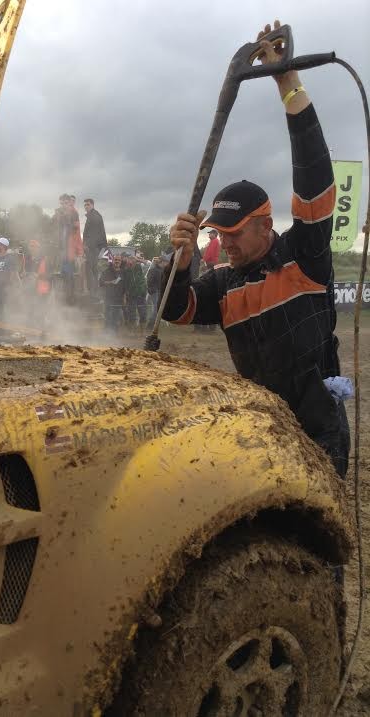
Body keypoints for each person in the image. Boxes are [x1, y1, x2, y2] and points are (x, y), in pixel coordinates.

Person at [162, 20, 350, 478]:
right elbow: (175, 309)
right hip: (265, 433)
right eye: (219, 233)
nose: (225, 242)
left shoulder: (303, 258)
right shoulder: (224, 285)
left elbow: (315, 181)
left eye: (236, 233)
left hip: (319, 430)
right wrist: (180, 262)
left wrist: (288, 83)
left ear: (265, 225)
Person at [0, 237, 21, 318]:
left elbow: (14, 273)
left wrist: (15, 287)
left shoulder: (10, 259)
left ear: (3, 246)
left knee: (3, 311)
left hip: (4, 290)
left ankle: (4, 326)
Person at [83, 198, 107, 300]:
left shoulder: (94, 216)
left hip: (93, 249)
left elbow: (95, 234)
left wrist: (87, 245)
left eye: (88, 204)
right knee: (93, 271)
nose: (86, 206)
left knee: (92, 271)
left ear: (92, 205)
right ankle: (93, 294)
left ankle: (93, 294)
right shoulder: (93, 216)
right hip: (94, 248)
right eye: (85, 205)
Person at [99, 253, 125, 332]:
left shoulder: (123, 272)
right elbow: (100, 283)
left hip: (119, 299)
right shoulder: (107, 271)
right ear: (112, 260)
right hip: (109, 298)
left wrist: (124, 298)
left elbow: (125, 287)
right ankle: (106, 336)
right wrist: (110, 282)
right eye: (115, 260)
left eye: (119, 260)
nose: (117, 261)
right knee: (108, 318)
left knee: (116, 319)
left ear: (121, 261)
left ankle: (114, 337)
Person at [123, 253, 147, 331]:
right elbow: (125, 284)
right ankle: (132, 332)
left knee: (143, 314)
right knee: (132, 314)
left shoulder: (140, 267)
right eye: (130, 260)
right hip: (131, 295)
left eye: (133, 260)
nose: (131, 261)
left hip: (141, 294)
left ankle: (142, 332)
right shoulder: (126, 270)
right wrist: (125, 294)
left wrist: (138, 259)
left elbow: (148, 263)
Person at [146, 254, 169, 329]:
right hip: (154, 292)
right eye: (165, 262)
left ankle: (154, 325)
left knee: (159, 309)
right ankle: (150, 325)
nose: (166, 264)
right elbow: (149, 282)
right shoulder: (153, 270)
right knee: (156, 309)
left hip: (160, 291)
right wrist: (153, 290)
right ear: (162, 262)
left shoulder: (163, 270)